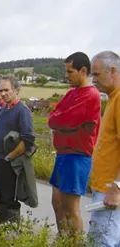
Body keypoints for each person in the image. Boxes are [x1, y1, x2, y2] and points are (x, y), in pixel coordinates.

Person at [48, 52, 101, 240]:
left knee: (71, 207)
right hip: (63, 154)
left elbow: (66, 120)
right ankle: (64, 240)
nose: (66, 75)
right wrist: (58, 119)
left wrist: (59, 120)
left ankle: (76, 243)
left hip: (78, 156)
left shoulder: (91, 95)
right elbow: (53, 117)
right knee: (57, 202)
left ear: (83, 70)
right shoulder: (72, 93)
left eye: (70, 71)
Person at [0, 76, 36, 224]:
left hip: (8, 163)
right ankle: (1, 229)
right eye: (0, 90)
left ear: (16, 90)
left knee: (9, 200)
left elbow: (27, 139)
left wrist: (9, 158)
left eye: (6, 90)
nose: (3, 93)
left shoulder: (22, 110)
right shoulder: (3, 110)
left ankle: (10, 234)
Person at [88, 51, 120, 247]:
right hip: (106, 188)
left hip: (111, 190)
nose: (93, 80)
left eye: (97, 75)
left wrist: (117, 187)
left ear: (113, 71)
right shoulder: (113, 98)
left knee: (101, 242)